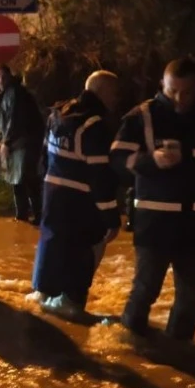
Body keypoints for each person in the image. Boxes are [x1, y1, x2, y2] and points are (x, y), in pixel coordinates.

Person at [110, 57, 195, 342]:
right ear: (162, 84)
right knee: (145, 289)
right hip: (155, 222)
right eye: (172, 91)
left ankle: (178, 355)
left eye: (187, 92)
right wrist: (152, 161)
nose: (180, 99)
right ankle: (128, 347)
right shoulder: (142, 116)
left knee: (191, 296)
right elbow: (117, 160)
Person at [32, 70, 123, 318]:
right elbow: (99, 175)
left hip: (52, 194)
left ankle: (43, 292)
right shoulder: (94, 124)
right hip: (81, 204)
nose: (116, 100)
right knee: (85, 249)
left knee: (51, 242)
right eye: (114, 94)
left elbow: (42, 157)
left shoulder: (59, 113)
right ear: (102, 92)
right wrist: (111, 217)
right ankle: (70, 302)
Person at [0, 64, 45, 224]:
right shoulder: (2, 95)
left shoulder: (15, 93)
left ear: (9, 76)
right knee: (17, 179)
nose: (0, 80)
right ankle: (22, 215)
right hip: (16, 142)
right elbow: (3, 122)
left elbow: (15, 119)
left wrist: (5, 142)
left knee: (27, 177)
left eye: (3, 76)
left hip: (26, 141)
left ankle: (38, 214)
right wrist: (2, 141)